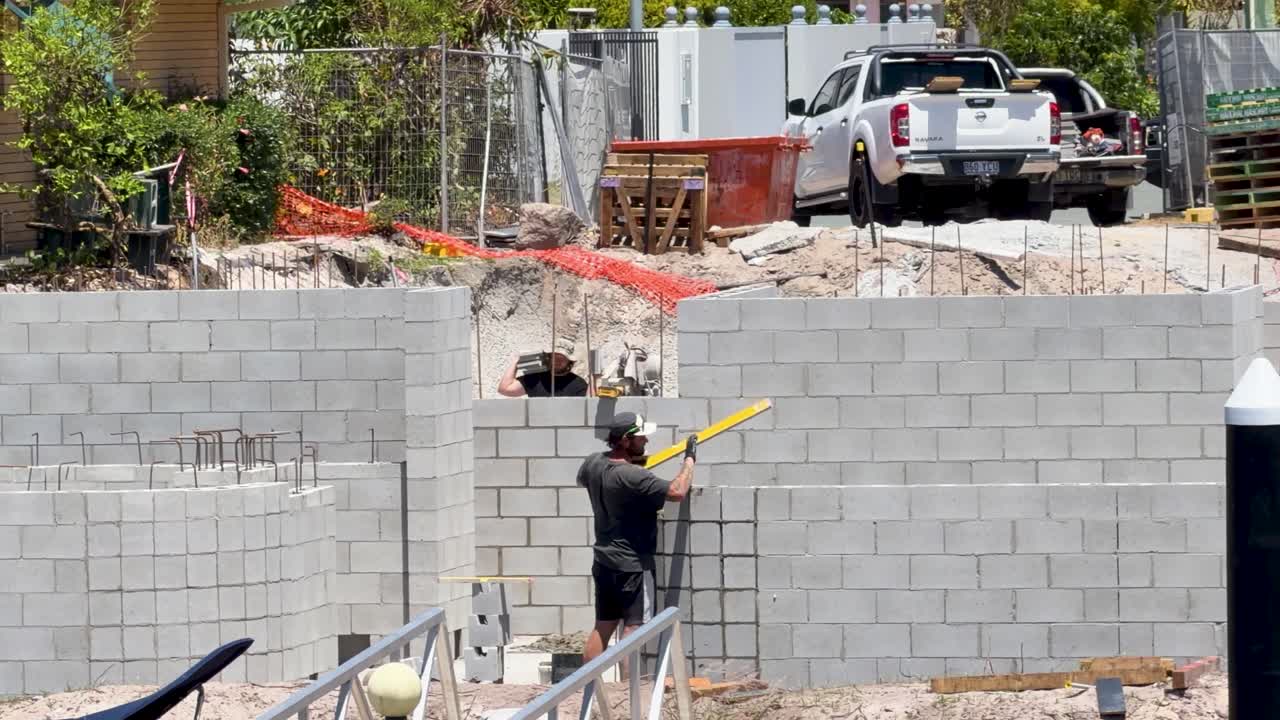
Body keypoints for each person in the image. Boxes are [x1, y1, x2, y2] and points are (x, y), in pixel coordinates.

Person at [576, 412, 697, 673]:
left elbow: (596, 477)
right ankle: (628, 694)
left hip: (604, 560)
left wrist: (632, 465)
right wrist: (689, 461)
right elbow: (677, 491)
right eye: (641, 437)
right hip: (632, 564)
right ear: (626, 440)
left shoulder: (592, 464)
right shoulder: (633, 476)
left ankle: (585, 687)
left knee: (604, 625)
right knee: (633, 628)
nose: (646, 442)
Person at [497, 337, 589, 397]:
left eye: (562, 358)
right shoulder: (536, 378)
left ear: (569, 362)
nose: (557, 361)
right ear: (549, 357)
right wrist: (515, 362)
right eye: (555, 356)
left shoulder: (579, 384)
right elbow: (505, 389)